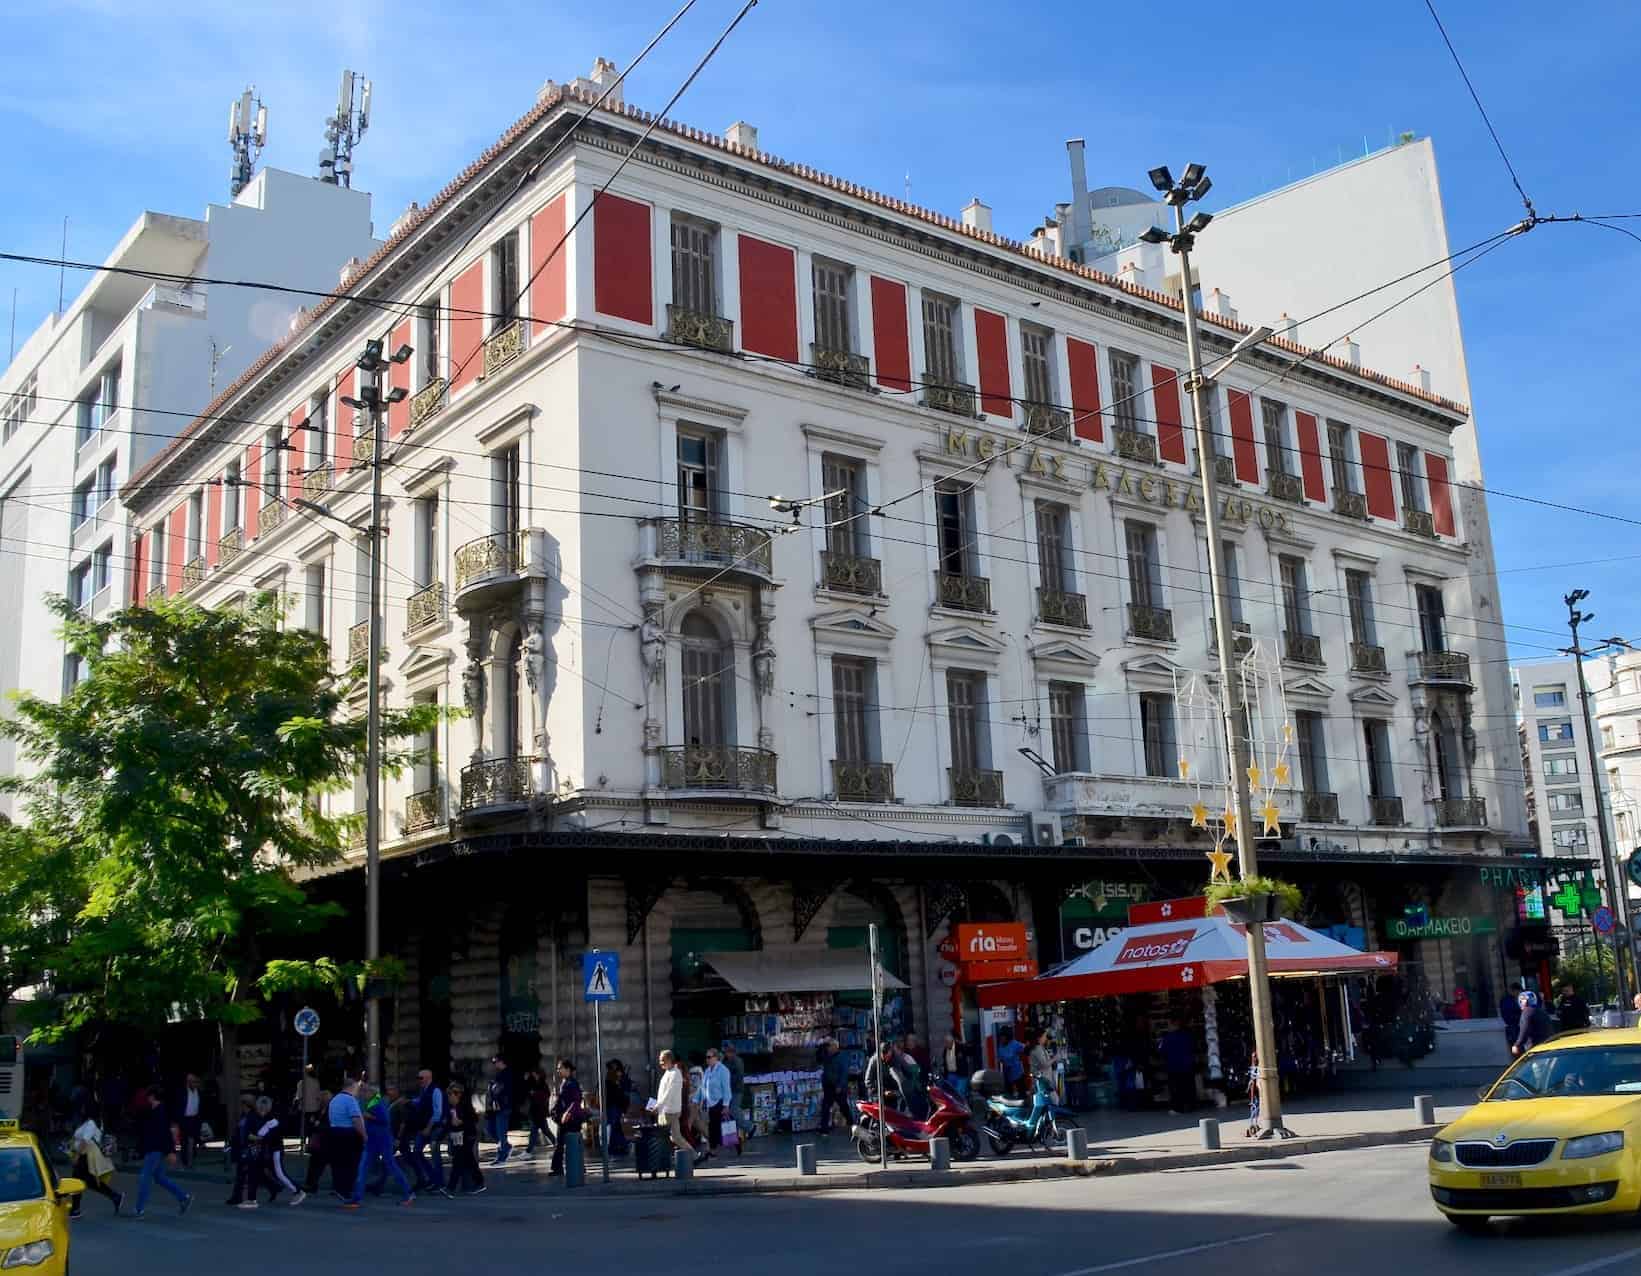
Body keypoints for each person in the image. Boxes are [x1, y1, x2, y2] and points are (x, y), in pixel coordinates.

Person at [133, 1086, 192, 1217]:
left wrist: (170, 1151)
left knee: (145, 1177)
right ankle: (183, 1196)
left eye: (148, 1096)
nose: (147, 1098)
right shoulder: (154, 1111)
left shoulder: (160, 1112)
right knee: (159, 1178)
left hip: (155, 1149)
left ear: (152, 1097)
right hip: (155, 1148)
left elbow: (164, 1133)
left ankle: (139, 1208)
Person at [357, 1083, 414, 1205]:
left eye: (366, 1091)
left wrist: (368, 1116)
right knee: (367, 1167)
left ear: (372, 1092)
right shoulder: (375, 1101)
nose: (363, 1093)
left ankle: (408, 1192)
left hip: (380, 1140)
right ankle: (357, 1197)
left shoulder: (376, 1102)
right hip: (376, 1140)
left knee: (386, 1166)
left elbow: (384, 1120)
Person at [320, 1076, 368, 1208]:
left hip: (335, 1133)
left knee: (338, 1163)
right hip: (349, 1134)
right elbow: (356, 1120)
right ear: (352, 1087)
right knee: (351, 1163)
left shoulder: (334, 1100)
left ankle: (338, 1188)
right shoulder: (350, 1100)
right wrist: (364, 1135)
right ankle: (346, 1191)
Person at [248, 1096, 303, 1206]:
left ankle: (297, 1191)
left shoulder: (271, 1119)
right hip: (272, 1149)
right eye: (260, 1108)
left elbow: (268, 1136)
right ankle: (277, 1189)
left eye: (262, 1108)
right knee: (274, 1172)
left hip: (275, 1150)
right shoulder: (268, 1118)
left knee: (279, 1173)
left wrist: (257, 1138)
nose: (260, 1110)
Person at [67, 1117, 123, 1218]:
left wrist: (77, 1155)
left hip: (86, 1157)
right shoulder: (87, 1122)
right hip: (85, 1156)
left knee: (76, 1181)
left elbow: (85, 1141)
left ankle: (75, 1209)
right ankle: (115, 1196)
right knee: (90, 1182)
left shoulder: (91, 1123)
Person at [407, 1069, 448, 1197]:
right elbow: (421, 1101)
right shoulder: (424, 1090)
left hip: (434, 1127)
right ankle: (432, 1177)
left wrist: (428, 1128)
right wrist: (410, 1102)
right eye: (418, 1078)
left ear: (428, 1078)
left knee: (435, 1154)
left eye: (421, 1078)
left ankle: (439, 1182)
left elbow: (438, 1112)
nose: (419, 1080)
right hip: (423, 1127)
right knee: (417, 1152)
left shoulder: (435, 1091)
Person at [445, 1082, 486, 1195]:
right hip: (457, 1137)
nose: (449, 1097)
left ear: (457, 1095)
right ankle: (479, 1182)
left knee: (458, 1161)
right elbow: (449, 1122)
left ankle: (450, 1188)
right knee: (469, 1161)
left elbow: (473, 1119)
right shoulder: (451, 1107)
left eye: (450, 1094)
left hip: (467, 1135)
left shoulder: (465, 1105)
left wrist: (461, 1122)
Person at [548, 1058, 584, 1178]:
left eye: (560, 1068)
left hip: (570, 1119)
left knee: (569, 1143)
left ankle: (574, 1167)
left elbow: (576, 1101)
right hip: (564, 1119)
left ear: (567, 1069)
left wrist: (567, 1113)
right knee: (561, 1144)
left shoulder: (572, 1083)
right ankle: (559, 1168)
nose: (558, 1070)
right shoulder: (565, 1082)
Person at [654, 1050, 693, 1156]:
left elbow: (669, 1093)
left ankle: (692, 1155)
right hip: (666, 1110)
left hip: (670, 1110)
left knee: (672, 1137)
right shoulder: (669, 1072)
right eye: (660, 1060)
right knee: (672, 1137)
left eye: (663, 1060)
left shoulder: (675, 1074)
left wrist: (658, 1105)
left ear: (670, 1060)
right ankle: (691, 1155)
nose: (660, 1062)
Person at [226, 1094, 259, 1207]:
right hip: (242, 1148)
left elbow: (251, 1134)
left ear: (246, 1105)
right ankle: (237, 1196)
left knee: (244, 1173)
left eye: (242, 1104)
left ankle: (239, 1197)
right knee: (242, 1173)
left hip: (247, 1149)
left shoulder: (252, 1117)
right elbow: (238, 1132)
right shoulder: (244, 1116)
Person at [1159, 1020, 1197, 1115]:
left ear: (1172, 1026)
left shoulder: (1167, 1038)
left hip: (1173, 1066)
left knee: (1175, 1088)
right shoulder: (1188, 1036)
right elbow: (1193, 1048)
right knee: (1188, 1086)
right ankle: (1190, 1106)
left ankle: (1177, 1108)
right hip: (1187, 1065)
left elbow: (1162, 1051)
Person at [485, 1056, 514, 1166]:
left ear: (501, 1062)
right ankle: (506, 1146)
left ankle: (502, 1156)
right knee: (490, 1129)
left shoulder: (507, 1074)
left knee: (501, 1132)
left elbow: (499, 1089)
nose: (494, 1064)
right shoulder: (498, 1074)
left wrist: (493, 1088)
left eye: (495, 1062)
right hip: (495, 1107)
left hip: (504, 1107)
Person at [818, 1041, 849, 1134]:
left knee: (843, 1106)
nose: (828, 1048)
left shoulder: (841, 1057)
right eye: (828, 1047)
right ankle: (824, 1129)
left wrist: (840, 1086)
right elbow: (819, 1059)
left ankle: (851, 1124)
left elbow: (844, 1073)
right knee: (826, 1107)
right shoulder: (828, 1056)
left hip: (838, 1087)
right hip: (829, 1086)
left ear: (835, 1047)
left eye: (830, 1046)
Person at [604, 1060, 633, 1157]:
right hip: (612, 1105)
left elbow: (623, 1092)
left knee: (614, 1126)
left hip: (615, 1105)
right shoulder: (611, 1077)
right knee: (615, 1126)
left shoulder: (619, 1078)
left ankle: (619, 1146)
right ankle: (620, 1146)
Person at [176, 1072, 204, 1167]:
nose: (193, 1083)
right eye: (191, 1081)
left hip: (195, 1118)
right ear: (187, 1082)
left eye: (194, 1081)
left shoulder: (198, 1092)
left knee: (194, 1139)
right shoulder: (182, 1092)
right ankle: (185, 1160)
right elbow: (178, 1105)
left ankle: (191, 1157)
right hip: (185, 1118)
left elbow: (201, 1106)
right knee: (184, 1140)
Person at [1513, 992, 1553, 1056]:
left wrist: (1517, 1044)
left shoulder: (1527, 1012)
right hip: (1547, 1044)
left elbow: (1524, 1030)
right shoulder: (1541, 1011)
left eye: (1521, 1000)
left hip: (1535, 1047)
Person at [524, 1069, 553, 1156]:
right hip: (535, 1111)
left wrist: (535, 1093)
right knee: (545, 1130)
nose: (533, 1075)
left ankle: (528, 1151)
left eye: (535, 1074)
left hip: (539, 1111)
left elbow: (545, 1095)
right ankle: (557, 1143)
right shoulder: (532, 1083)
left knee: (534, 1131)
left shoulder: (542, 1084)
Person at [294, 1063, 323, 1135]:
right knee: (312, 1127)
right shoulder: (316, 1082)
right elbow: (318, 1097)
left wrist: (295, 1104)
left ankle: (304, 1142)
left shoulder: (301, 1083)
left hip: (304, 1110)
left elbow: (298, 1096)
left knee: (303, 1128)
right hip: (314, 1109)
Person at [997, 1029, 1026, 1098]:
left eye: (1003, 1036)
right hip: (1007, 1072)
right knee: (1009, 1093)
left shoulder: (1015, 1044)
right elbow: (1000, 1059)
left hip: (1017, 1071)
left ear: (1008, 1037)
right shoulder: (1000, 1046)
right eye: (1001, 1036)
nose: (1001, 1038)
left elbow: (1025, 1048)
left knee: (1022, 1093)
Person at [722, 1043, 746, 1125]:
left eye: (727, 1052)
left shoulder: (737, 1061)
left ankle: (750, 1127)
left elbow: (738, 1076)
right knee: (732, 1111)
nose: (725, 1054)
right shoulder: (725, 1061)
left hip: (736, 1090)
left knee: (733, 1110)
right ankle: (737, 1133)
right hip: (729, 1090)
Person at [1028, 1028, 1056, 1093]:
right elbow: (1044, 1064)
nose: (1045, 1038)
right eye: (1044, 1036)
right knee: (1053, 1101)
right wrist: (1055, 1058)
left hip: (1043, 1079)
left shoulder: (1039, 1047)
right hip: (1043, 1080)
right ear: (1039, 1038)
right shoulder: (1037, 1049)